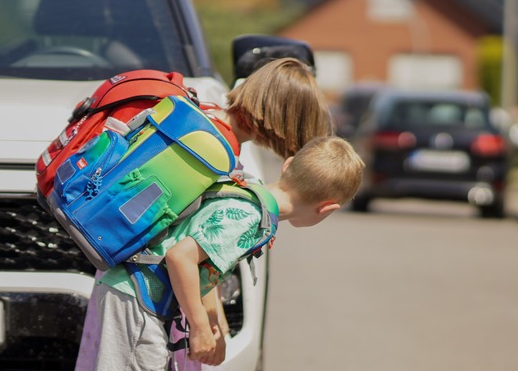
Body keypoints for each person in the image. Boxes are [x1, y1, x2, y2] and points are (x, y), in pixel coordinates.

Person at [74, 57, 333, 370]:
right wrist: (202, 323)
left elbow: (190, 239)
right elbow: (184, 252)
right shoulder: (215, 153)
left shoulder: (201, 122)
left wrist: (213, 316)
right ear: (282, 121)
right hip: (140, 291)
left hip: (128, 281)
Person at [93, 135, 365, 370]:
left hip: (134, 292)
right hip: (139, 297)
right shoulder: (248, 218)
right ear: (327, 208)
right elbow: (180, 257)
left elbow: (201, 262)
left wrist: (213, 321)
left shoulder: (247, 189)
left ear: (288, 164)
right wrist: (199, 327)